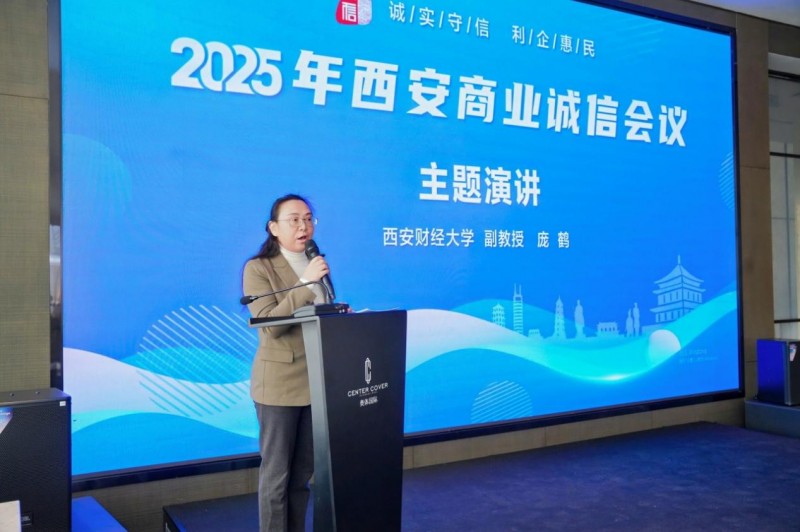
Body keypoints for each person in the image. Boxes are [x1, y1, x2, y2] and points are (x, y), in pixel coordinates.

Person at [242, 193, 330, 532]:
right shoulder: (258, 268)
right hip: (278, 387)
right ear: (273, 227)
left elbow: (317, 315)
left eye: (308, 218)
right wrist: (305, 282)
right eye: (294, 219)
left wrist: (339, 315)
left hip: (316, 384)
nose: (303, 225)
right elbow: (270, 324)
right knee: (277, 478)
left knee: (301, 477)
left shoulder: (315, 262)